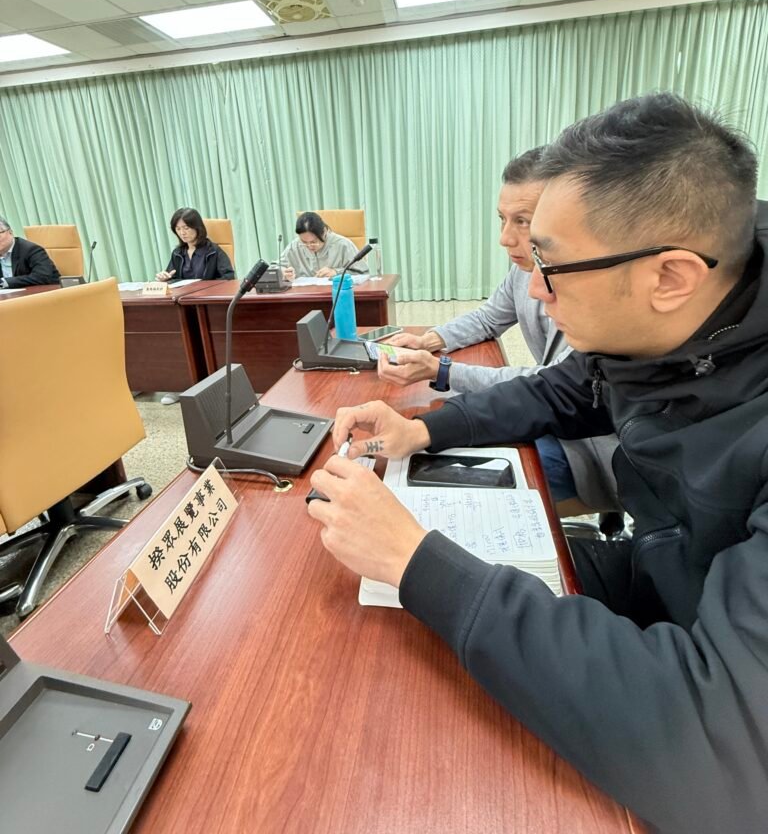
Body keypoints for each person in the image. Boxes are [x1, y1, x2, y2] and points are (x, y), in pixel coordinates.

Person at [307, 93, 768, 833]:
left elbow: (723, 744)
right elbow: (568, 388)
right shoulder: (692, 312)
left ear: (670, 276)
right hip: (661, 568)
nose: (532, 287)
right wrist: (419, 430)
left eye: (551, 264)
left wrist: (415, 560)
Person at [378, 147, 617, 515]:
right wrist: (430, 340)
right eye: (502, 219)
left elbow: (552, 386)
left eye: (523, 221)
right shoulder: (525, 272)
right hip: (548, 412)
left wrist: (442, 371)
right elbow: (490, 317)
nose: (505, 238)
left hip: (589, 447)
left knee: (456, 480)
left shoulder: (599, 295)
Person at [281, 212, 369, 281]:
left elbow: (363, 274)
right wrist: (283, 273)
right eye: (304, 242)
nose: (309, 246)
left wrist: (336, 272)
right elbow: (276, 268)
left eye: (313, 242)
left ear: (324, 232)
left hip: (336, 294)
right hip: (305, 296)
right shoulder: (295, 246)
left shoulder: (343, 245)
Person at [156, 208, 234, 282]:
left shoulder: (213, 251)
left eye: (186, 228)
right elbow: (172, 277)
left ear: (197, 228)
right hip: (184, 292)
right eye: (178, 229)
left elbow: (229, 277)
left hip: (207, 291)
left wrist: (208, 287)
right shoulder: (177, 253)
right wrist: (166, 279)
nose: (182, 233)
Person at [0, 217, 61, 288]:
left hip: (47, 291)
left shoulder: (31, 249)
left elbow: (42, 276)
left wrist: (6, 282)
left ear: (10, 232)